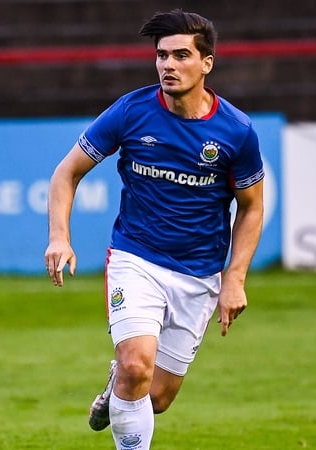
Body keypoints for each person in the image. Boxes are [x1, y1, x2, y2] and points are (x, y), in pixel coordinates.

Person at [44, 9, 264, 450]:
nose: (168, 64)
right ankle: (125, 381)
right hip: (135, 258)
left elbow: (252, 207)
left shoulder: (236, 131)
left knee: (156, 397)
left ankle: (117, 386)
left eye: (181, 55)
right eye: (162, 55)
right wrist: (59, 236)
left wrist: (235, 277)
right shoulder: (131, 111)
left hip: (199, 274)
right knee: (137, 366)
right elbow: (66, 173)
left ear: (206, 63)